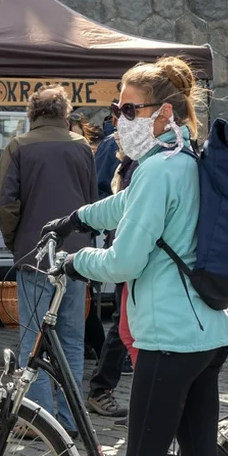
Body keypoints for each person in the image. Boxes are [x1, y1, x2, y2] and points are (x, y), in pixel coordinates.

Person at [43, 55, 228, 456]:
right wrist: (75, 216)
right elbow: (126, 208)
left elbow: (125, 258)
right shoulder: (185, 156)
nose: (118, 117)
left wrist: (74, 260)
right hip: (208, 332)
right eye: (115, 109)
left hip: (168, 339)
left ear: (162, 112)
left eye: (128, 109)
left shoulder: (157, 169)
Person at [0, 85, 95, 436]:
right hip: (77, 257)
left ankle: (39, 422)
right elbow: (93, 202)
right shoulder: (82, 147)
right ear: (65, 113)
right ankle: (71, 421)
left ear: (32, 113)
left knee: (31, 340)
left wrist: (15, 243)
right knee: (71, 342)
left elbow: (4, 202)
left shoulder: (19, 146)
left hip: (35, 256)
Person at [86, 145, 139, 421]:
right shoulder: (133, 158)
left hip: (129, 250)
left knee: (128, 326)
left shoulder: (144, 157)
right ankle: (100, 389)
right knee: (125, 325)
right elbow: (118, 204)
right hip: (129, 252)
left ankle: (105, 389)